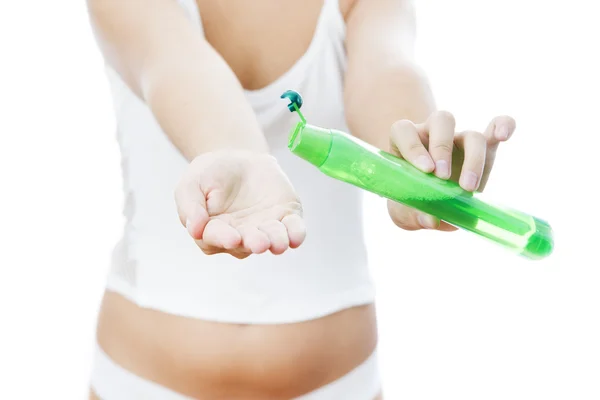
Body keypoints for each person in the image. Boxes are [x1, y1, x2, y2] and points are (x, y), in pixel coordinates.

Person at [87, 0, 516, 398]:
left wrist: (417, 164)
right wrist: (238, 151)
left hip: (339, 383)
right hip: (141, 382)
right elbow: (174, 64)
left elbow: (388, 71)